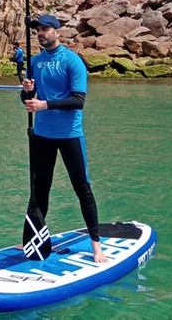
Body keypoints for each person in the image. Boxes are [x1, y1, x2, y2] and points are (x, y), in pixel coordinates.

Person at [20, 14, 107, 264]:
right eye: (38, 30)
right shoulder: (35, 62)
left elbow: (78, 101)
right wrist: (26, 92)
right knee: (39, 189)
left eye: (46, 29)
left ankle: (96, 245)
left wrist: (45, 104)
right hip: (42, 135)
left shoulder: (72, 61)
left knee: (82, 188)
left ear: (58, 32)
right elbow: (28, 101)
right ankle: (32, 238)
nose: (41, 33)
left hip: (70, 135)